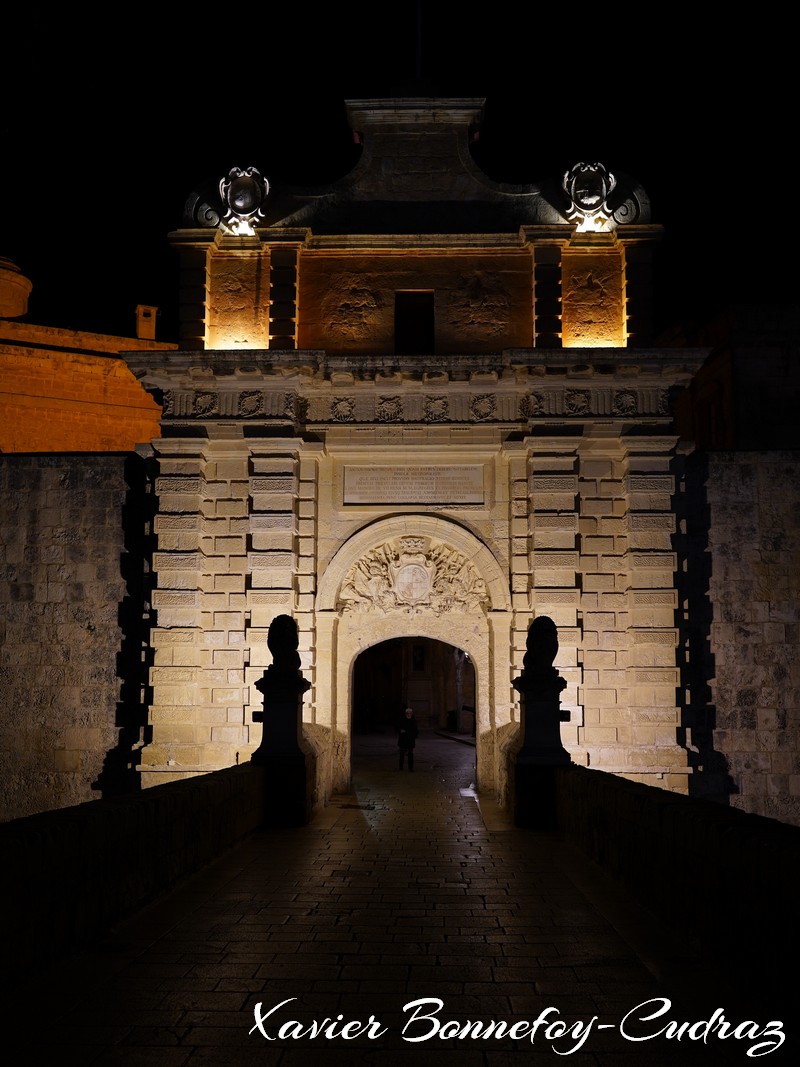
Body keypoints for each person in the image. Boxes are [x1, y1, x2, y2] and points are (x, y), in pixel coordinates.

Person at [397, 706, 418, 770]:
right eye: (407, 713)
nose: (409, 714)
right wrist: (400, 730)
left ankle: (410, 768)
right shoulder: (401, 719)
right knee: (402, 754)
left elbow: (416, 730)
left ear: (412, 713)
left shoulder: (413, 720)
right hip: (403, 739)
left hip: (410, 739)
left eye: (410, 713)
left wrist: (414, 735)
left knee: (410, 754)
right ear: (405, 713)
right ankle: (401, 767)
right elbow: (397, 727)